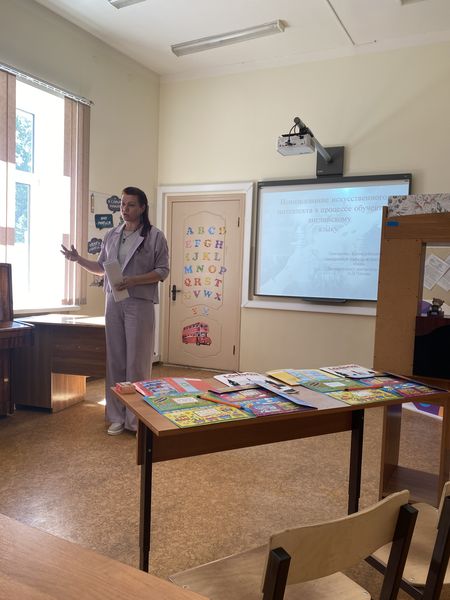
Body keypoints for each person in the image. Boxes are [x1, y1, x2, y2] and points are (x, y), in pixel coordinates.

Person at [61, 186, 170, 435]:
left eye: (130, 205)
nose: (124, 209)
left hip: (139, 301)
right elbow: (101, 268)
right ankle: (116, 415)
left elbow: (163, 271)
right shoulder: (112, 234)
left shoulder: (155, 236)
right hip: (114, 301)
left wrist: (134, 280)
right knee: (116, 360)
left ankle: (136, 418)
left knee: (137, 362)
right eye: (122, 204)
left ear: (142, 208)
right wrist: (78, 260)